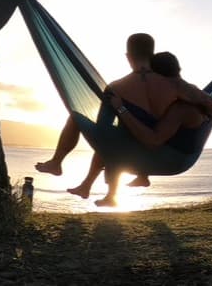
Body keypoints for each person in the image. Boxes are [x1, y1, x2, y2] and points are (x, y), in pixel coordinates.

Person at [34, 32, 179, 190]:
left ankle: (56, 162)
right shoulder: (174, 86)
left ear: (128, 56)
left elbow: (103, 128)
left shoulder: (117, 88)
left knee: (78, 119)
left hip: (129, 151)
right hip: (165, 154)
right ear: (153, 55)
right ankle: (138, 176)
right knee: (123, 132)